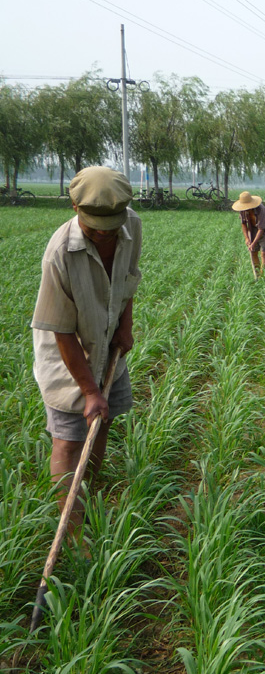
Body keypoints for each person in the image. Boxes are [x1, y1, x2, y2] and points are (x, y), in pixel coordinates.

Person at [31, 166, 141, 539]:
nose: (103, 235)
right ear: (75, 207)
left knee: (102, 422)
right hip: (67, 356)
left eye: (110, 227)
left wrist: (124, 324)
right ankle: (73, 535)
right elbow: (61, 330)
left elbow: (128, 279)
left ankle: (88, 498)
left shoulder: (132, 227)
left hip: (107, 339)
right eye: (94, 227)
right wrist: (89, 391)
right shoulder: (59, 254)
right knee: (68, 439)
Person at [232, 191, 265, 273]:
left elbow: (261, 229)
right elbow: (243, 224)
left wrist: (254, 243)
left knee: (263, 253)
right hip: (253, 229)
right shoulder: (243, 210)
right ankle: (257, 273)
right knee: (253, 252)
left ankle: (263, 273)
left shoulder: (261, 209)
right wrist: (247, 238)